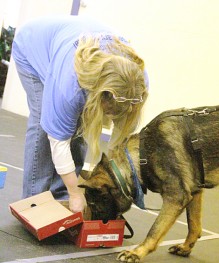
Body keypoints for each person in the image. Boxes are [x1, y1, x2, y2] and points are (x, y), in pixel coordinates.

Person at [12, 15, 149, 213]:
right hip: (33, 47)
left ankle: (62, 197)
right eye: (109, 110)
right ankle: (33, 202)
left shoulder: (137, 83)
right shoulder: (69, 86)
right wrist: (77, 193)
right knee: (44, 122)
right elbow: (58, 140)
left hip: (72, 47)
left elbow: (123, 136)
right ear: (101, 95)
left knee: (80, 125)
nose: (110, 117)